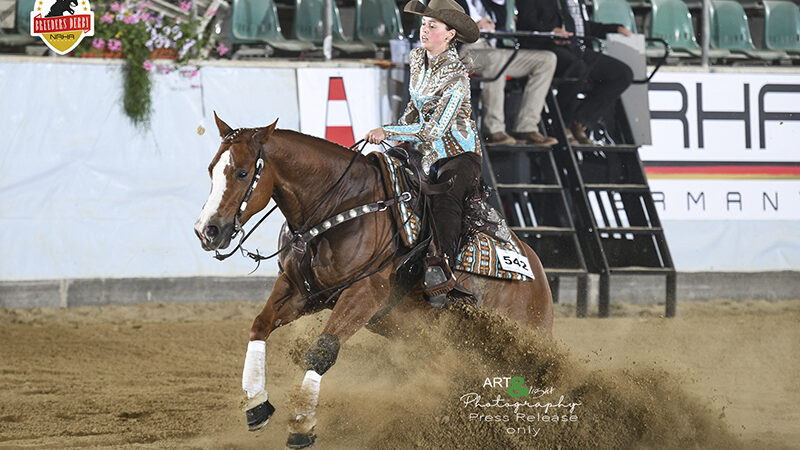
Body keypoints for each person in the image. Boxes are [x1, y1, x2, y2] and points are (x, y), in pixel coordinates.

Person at [364, 0, 481, 307]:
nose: (425, 30)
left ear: (450, 34)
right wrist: (398, 131)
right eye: (424, 23)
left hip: (459, 156)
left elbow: (434, 129)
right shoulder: (418, 58)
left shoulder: (457, 75)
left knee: (445, 198)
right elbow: (414, 110)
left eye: (433, 26)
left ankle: (444, 273)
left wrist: (389, 132)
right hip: (428, 154)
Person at [516, 0, 634, 145]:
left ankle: (579, 120)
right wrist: (551, 32)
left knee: (622, 74)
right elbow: (525, 22)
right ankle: (561, 124)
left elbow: (580, 28)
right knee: (577, 67)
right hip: (545, 46)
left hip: (575, 48)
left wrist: (614, 28)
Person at [456, 0, 559, 146]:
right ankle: (494, 130)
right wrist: (475, 25)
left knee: (547, 59)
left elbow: (502, 22)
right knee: (496, 59)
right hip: (465, 51)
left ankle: (527, 127)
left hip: (493, 49)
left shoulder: (487, 3)